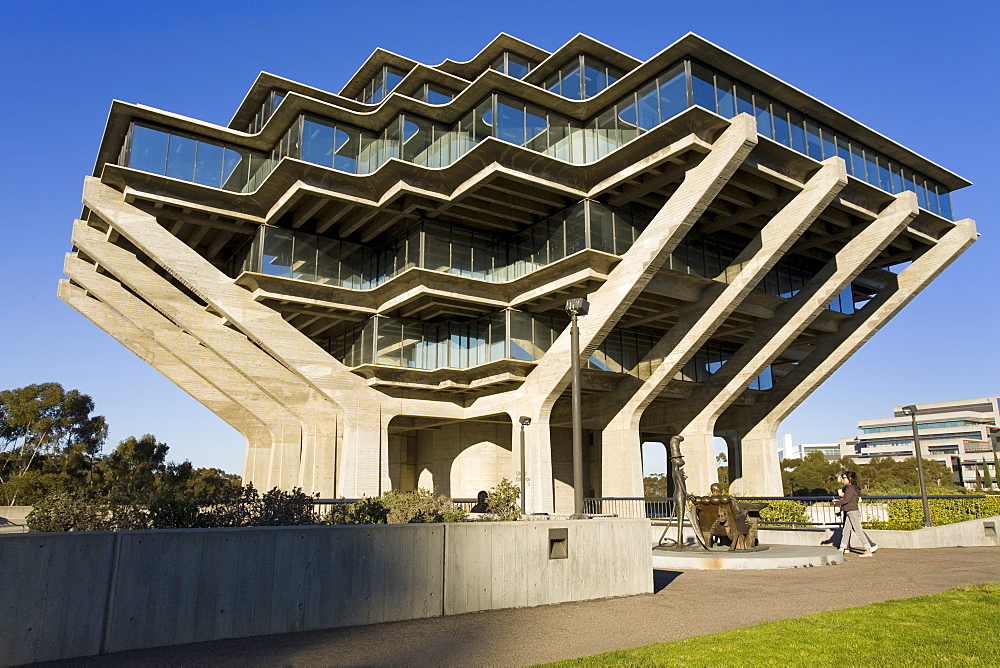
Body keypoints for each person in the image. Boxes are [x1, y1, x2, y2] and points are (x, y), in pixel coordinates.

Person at [831, 471, 877, 557]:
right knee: (846, 531)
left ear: (850, 478)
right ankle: (842, 548)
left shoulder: (850, 488)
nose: (842, 480)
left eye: (844, 478)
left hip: (853, 512)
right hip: (850, 511)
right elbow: (849, 500)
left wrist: (834, 504)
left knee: (858, 531)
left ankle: (868, 550)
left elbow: (846, 500)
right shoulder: (853, 488)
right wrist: (839, 503)